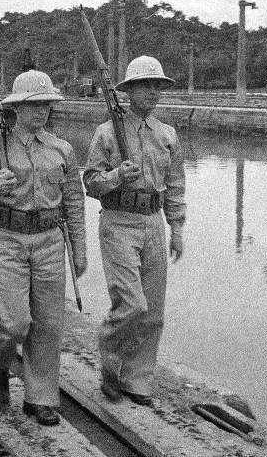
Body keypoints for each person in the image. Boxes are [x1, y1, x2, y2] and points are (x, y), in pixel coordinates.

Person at [0, 69, 87, 426]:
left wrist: (79, 249)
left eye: (46, 104)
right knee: (13, 321)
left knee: (49, 324)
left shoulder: (62, 150)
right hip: (8, 241)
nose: (41, 111)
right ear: (16, 109)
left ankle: (40, 398)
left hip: (51, 242)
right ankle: (0, 368)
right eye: (33, 105)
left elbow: (74, 203)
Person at [83, 55, 186, 406]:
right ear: (128, 91)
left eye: (158, 86)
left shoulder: (167, 134)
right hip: (119, 221)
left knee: (153, 310)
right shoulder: (107, 132)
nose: (154, 92)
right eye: (146, 86)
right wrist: (115, 178)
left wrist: (178, 227)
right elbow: (90, 183)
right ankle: (110, 359)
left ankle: (137, 380)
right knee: (132, 303)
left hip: (153, 222)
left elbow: (174, 184)